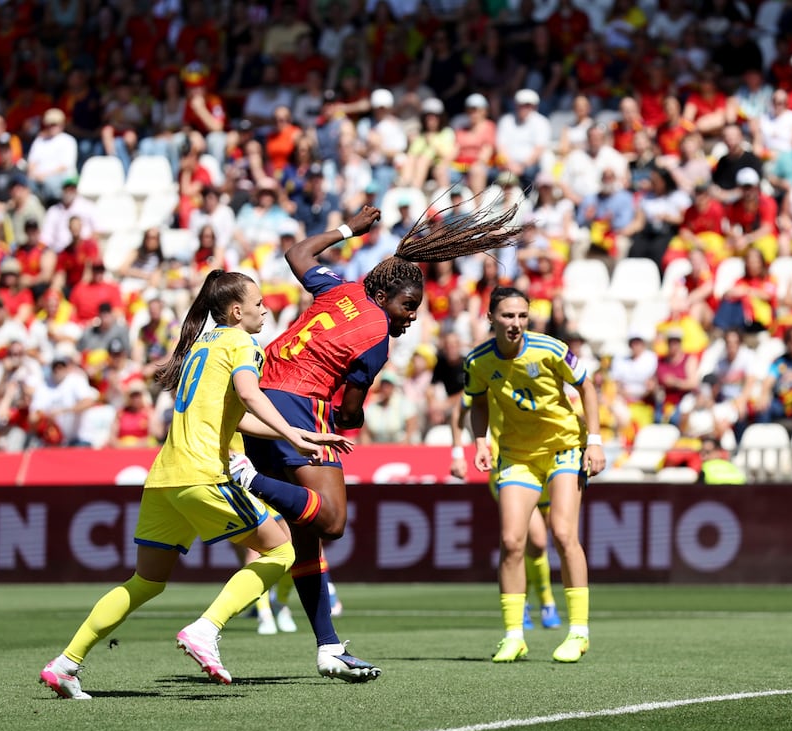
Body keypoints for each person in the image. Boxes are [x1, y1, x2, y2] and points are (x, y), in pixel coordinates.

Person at [238, 201, 520, 682]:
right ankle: (244, 478)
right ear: (388, 294)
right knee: (332, 521)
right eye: (408, 306)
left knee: (305, 542)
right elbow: (349, 413)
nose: (410, 317)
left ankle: (328, 646)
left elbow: (297, 253)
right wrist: (351, 417)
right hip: (298, 405)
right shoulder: (376, 339)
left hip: (258, 399)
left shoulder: (339, 289)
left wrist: (349, 229)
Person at [39, 270, 348, 699]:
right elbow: (251, 395)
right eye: (258, 303)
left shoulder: (201, 345)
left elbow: (234, 414)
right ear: (237, 311)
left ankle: (66, 663)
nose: (266, 309)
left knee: (145, 581)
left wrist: (289, 434)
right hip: (204, 473)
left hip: (164, 478)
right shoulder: (243, 343)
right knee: (281, 550)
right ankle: (206, 629)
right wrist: (297, 434)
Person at [465, 287, 605, 663]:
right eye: (508, 316)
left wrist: (594, 441)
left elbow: (587, 386)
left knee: (562, 533)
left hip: (564, 447)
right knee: (512, 541)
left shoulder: (551, 349)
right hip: (517, 455)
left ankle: (579, 632)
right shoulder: (477, 361)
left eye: (522, 316)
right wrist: (479, 441)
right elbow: (477, 402)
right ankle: (514, 636)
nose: (516, 323)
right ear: (490, 317)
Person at [450, 395, 562, 631]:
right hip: (511, 469)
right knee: (532, 540)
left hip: (547, 463)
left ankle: (538, 602)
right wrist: (458, 453)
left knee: (536, 544)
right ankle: (538, 602)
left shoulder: (544, 367)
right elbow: (459, 410)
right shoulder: (490, 368)